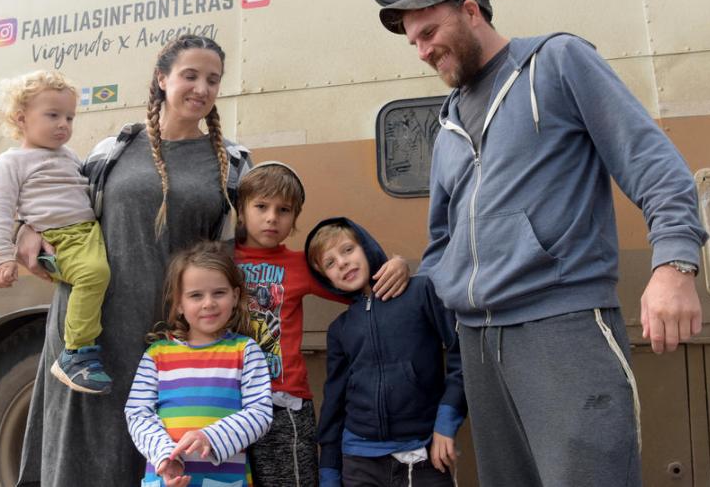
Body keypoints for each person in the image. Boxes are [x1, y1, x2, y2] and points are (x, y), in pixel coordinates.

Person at [378, 0, 710, 486]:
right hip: (477, 342)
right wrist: (444, 283)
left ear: (471, 12)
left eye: (428, 32)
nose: (421, 51)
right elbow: (442, 236)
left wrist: (675, 263)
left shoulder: (556, 61)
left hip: (561, 326)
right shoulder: (446, 126)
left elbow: (652, 162)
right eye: (413, 42)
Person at [16, 35, 252, 486]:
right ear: (162, 79)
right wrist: (24, 228)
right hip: (92, 336)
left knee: (160, 458)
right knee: (84, 456)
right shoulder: (113, 151)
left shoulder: (232, 164)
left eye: (212, 79)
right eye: (190, 75)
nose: (201, 87)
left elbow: (253, 244)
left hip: (175, 341)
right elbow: (55, 203)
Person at [233, 162, 411, 487]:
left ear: (294, 220)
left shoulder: (300, 266)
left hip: (285, 402)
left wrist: (396, 265)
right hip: (229, 400)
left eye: (283, 209)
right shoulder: (221, 260)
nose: (272, 217)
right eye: (261, 206)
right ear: (241, 210)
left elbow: (364, 288)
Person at [305, 217, 466, 487]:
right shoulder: (340, 329)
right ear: (325, 278)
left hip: (424, 453)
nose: (342, 263)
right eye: (330, 263)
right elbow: (333, 405)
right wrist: (329, 473)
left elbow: (461, 355)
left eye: (347, 250)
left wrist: (445, 424)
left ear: (366, 247)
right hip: (359, 461)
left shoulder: (420, 292)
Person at [0, 70, 113, 395]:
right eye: (53, 115)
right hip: (58, 238)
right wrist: (1, 257)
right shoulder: (11, 162)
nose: (63, 125)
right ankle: (77, 353)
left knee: (104, 273)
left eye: (69, 117)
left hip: (86, 232)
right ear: (21, 119)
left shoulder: (69, 156)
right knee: (93, 274)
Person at [125, 240, 273, 487]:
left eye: (219, 293)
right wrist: (165, 455)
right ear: (179, 304)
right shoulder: (157, 355)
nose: (208, 303)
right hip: (165, 478)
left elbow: (259, 414)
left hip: (225, 479)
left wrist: (210, 438)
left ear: (235, 296)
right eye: (196, 295)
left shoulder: (246, 351)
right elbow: (138, 413)